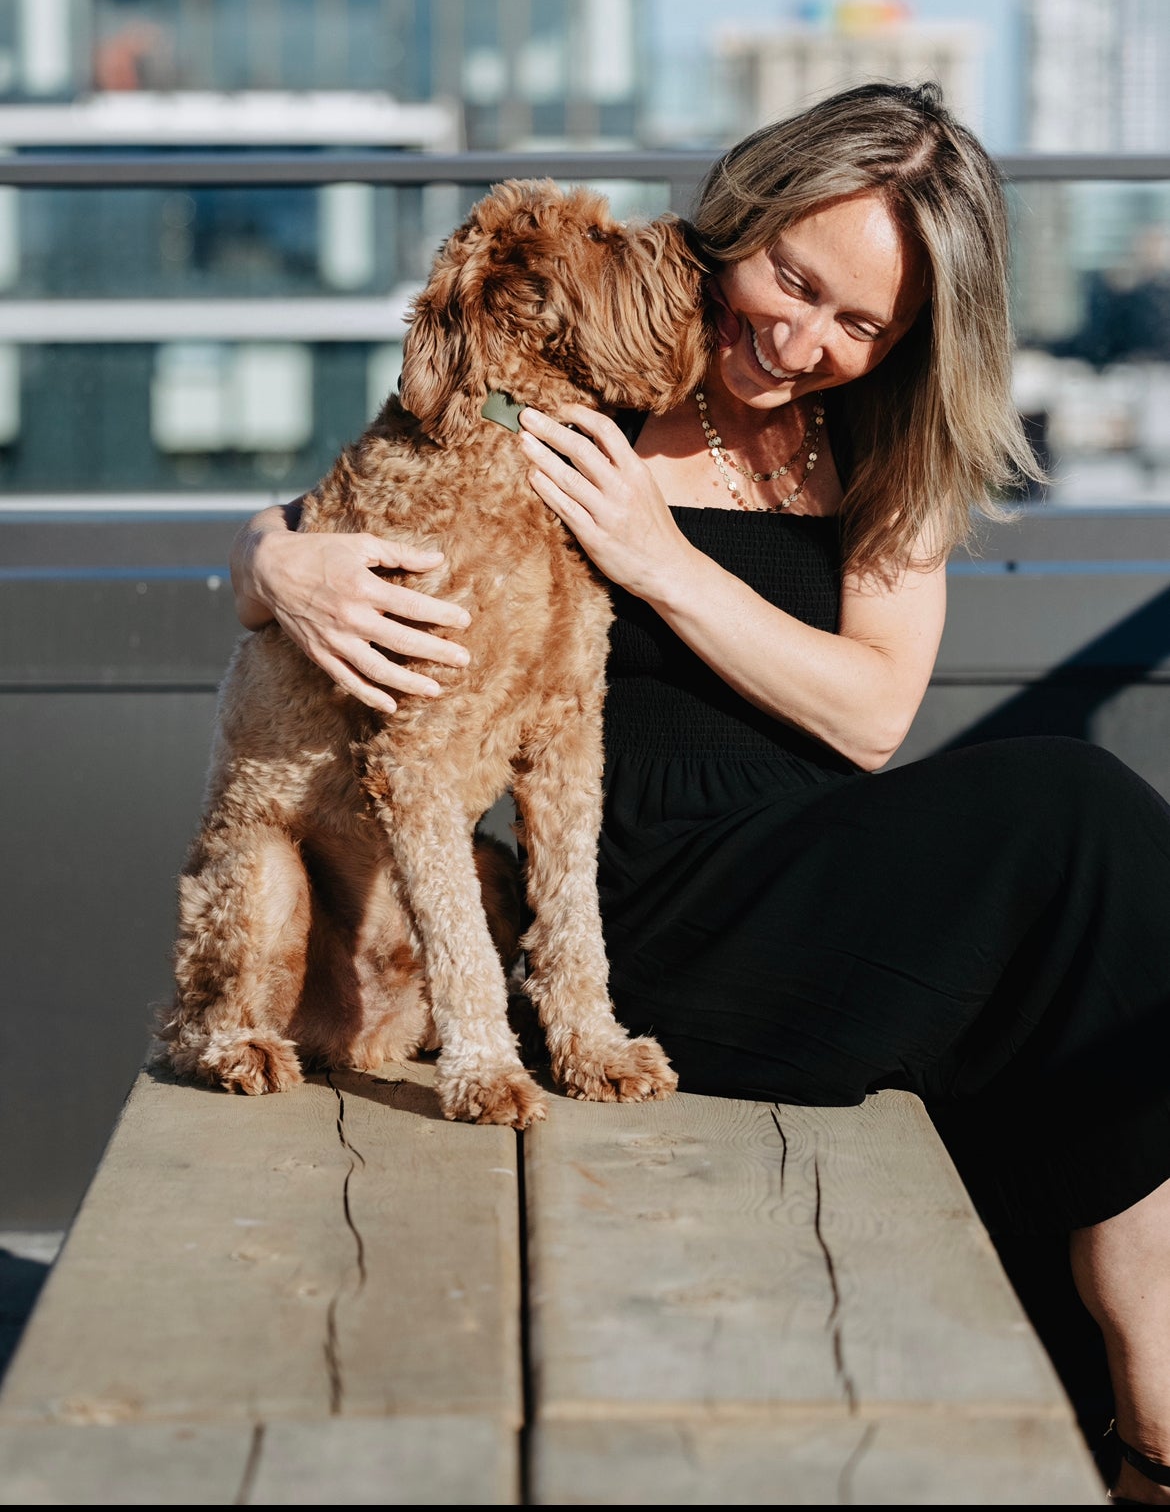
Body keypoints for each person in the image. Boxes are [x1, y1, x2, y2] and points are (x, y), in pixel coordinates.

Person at [230, 83, 1170, 1503]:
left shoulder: (879, 439)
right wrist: (270, 560)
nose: (799, 344)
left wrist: (656, 552)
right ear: (746, 209)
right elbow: (369, 477)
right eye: (790, 280)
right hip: (626, 926)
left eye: (859, 325)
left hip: (812, 877)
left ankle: (1133, 1406)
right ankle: (1148, 1410)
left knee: (1082, 923)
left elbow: (867, 716)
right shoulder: (604, 339)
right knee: (1082, 818)